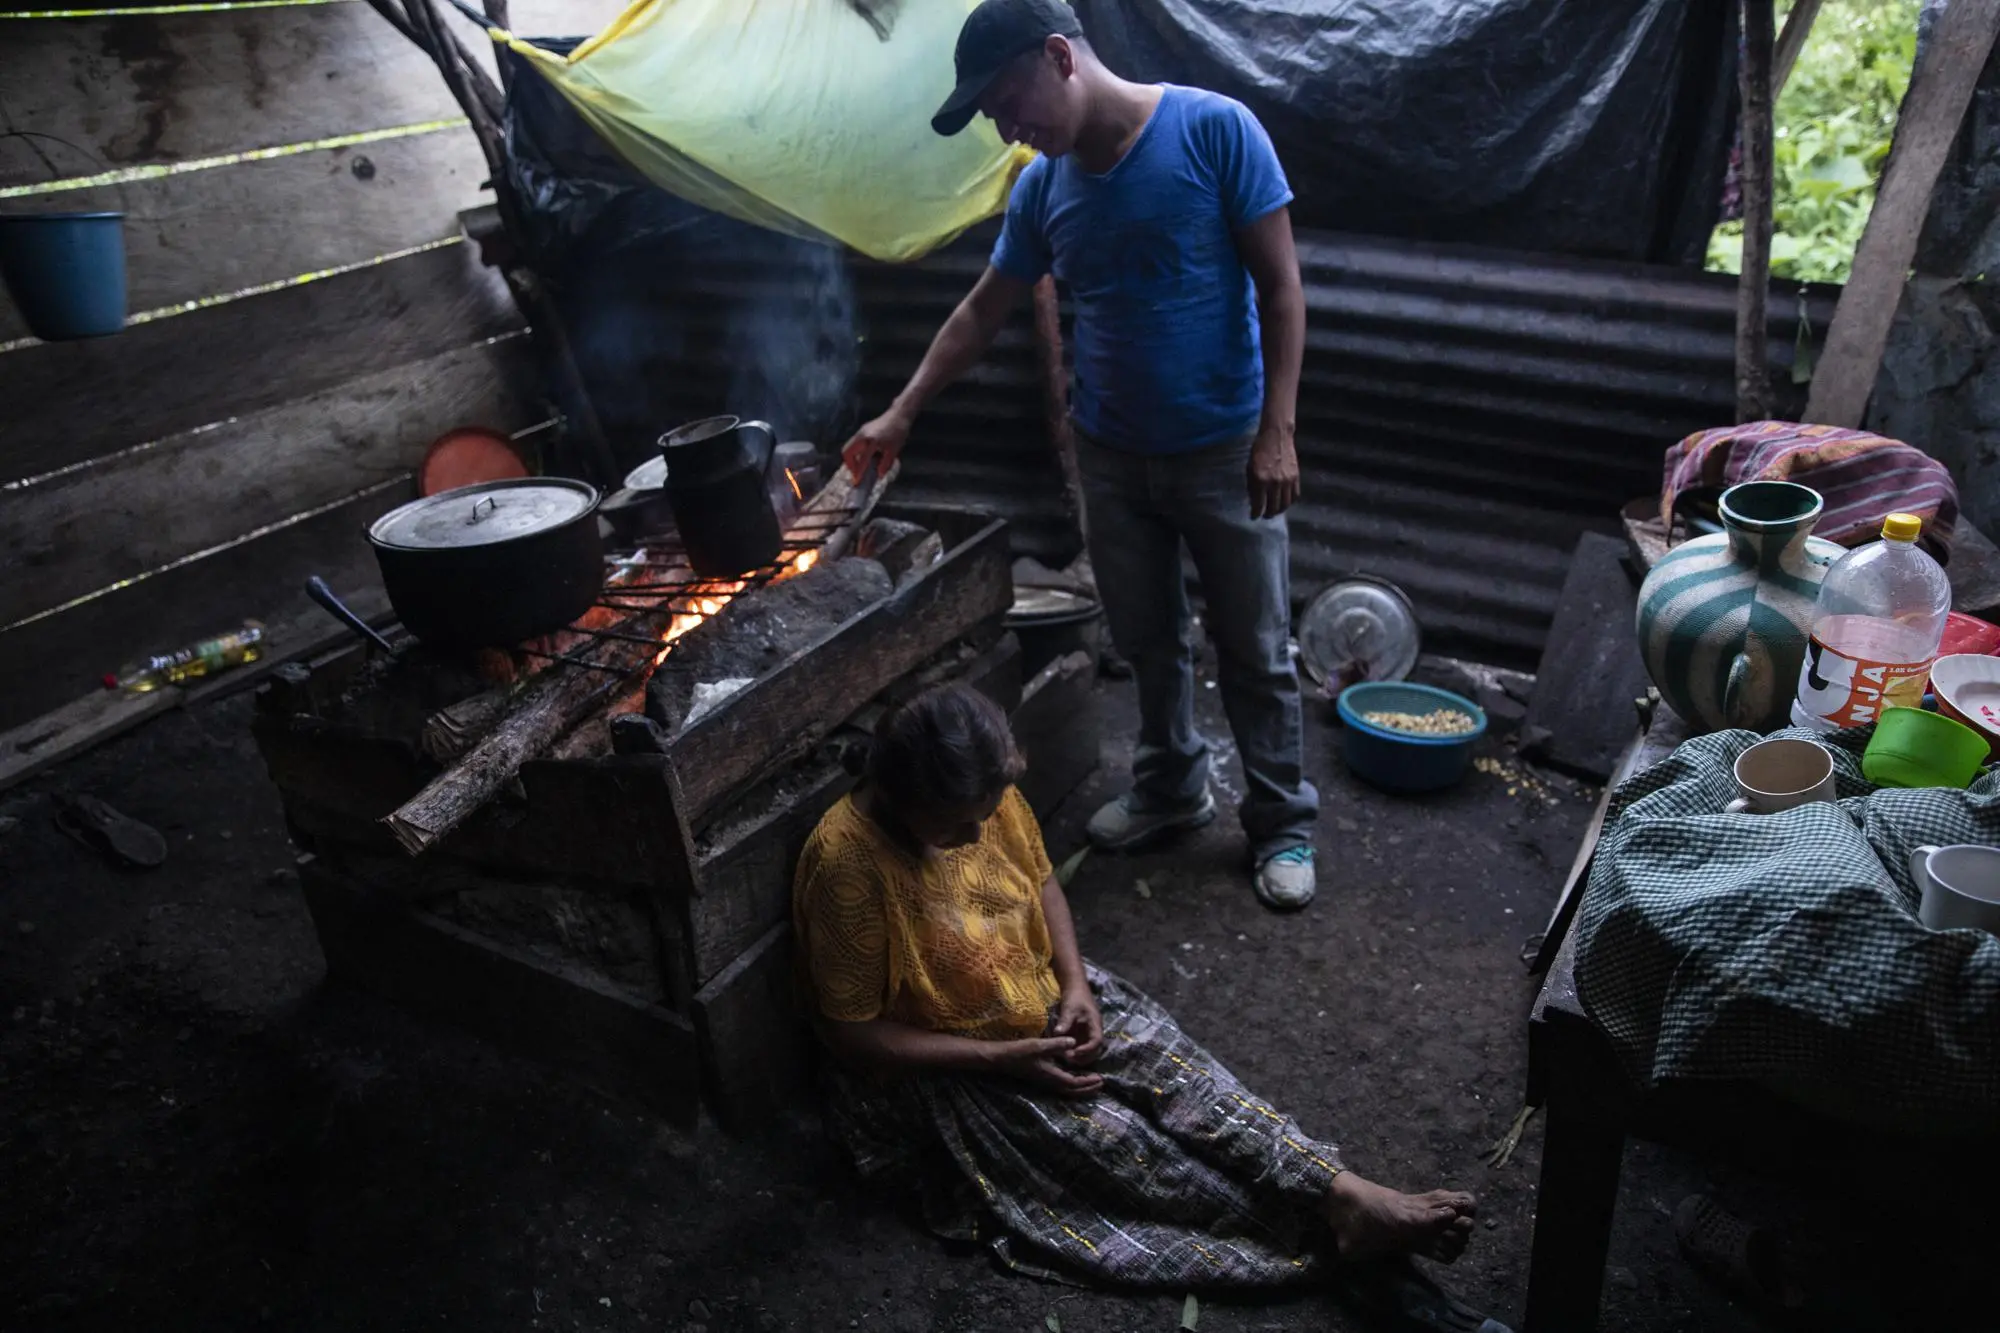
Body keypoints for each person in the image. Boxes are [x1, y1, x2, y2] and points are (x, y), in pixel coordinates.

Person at [793, 684, 1493, 1317]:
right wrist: (1003, 1058)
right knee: (1138, 1160)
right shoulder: (847, 866)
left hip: (1038, 1001)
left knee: (1200, 1092)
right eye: (957, 825)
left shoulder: (986, 792)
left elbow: (1041, 884)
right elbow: (851, 1034)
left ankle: (1341, 1188)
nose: (977, 835)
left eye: (984, 815)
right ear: (904, 796)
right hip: (952, 1067)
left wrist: (1073, 986)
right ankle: (1342, 1245)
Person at [841, 0, 1320, 911]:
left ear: (1060, 56)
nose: (1007, 128)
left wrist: (1279, 430)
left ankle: (1282, 819)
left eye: (1007, 102)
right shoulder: (1043, 189)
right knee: (1146, 641)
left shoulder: (1216, 131)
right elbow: (983, 308)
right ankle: (1174, 787)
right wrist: (901, 413)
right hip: (1111, 456)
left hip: (1224, 449)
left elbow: (1283, 288)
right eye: (991, 118)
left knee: (1255, 648)